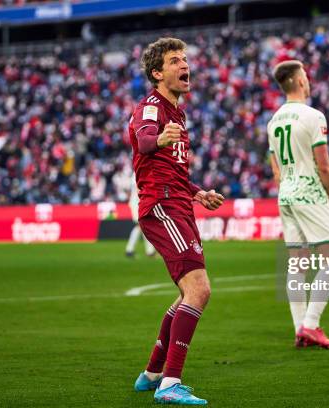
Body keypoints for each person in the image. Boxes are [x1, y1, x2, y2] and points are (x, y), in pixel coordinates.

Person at [129, 38, 224, 405]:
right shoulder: (152, 107)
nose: (184, 64)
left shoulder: (177, 113)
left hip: (178, 202)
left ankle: (152, 372)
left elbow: (173, 170)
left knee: (188, 293)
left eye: (185, 58)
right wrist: (159, 139)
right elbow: (145, 137)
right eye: (174, 60)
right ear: (157, 73)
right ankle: (170, 384)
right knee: (199, 290)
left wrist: (197, 192)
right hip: (163, 206)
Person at [267, 60, 329, 349]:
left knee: (297, 264)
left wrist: (287, 190)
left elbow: (275, 171)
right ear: (299, 81)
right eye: (307, 76)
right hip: (310, 192)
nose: (309, 81)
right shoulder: (313, 116)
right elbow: (324, 165)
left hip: (285, 193)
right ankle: (311, 325)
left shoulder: (274, 121)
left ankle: (300, 328)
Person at [125, 175, 156, 258]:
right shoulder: (137, 173)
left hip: (139, 202)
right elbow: (139, 189)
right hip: (137, 203)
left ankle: (149, 251)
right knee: (139, 226)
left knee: (144, 226)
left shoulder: (136, 173)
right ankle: (129, 249)